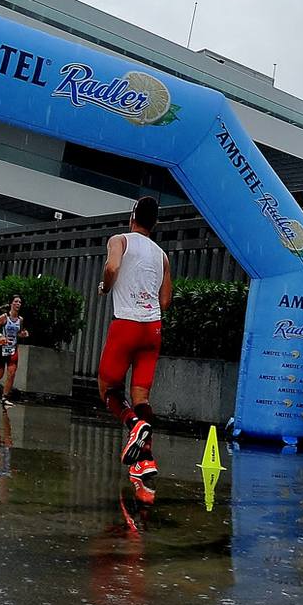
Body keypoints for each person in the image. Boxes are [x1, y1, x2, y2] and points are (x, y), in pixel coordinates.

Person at [97, 196, 171, 486]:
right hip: (152, 329)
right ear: (155, 224)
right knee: (141, 397)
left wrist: (105, 286)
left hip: (126, 324)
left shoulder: (120, 240)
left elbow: (113, 268)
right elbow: (165, 301)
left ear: (132, 216)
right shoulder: (162, 255)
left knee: (107, 389)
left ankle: (133, 424)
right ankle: (145, 461)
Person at [0, 294, 28, 408]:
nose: (18, 304)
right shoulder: (4, 317)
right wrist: (0, 335)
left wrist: (23, 334)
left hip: (13, 349)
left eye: (20, 302)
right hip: (1, 349)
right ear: (11, 304)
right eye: (16, 302)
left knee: (12, 373)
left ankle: (5, 398)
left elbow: (19, 333)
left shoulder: (20, 319)